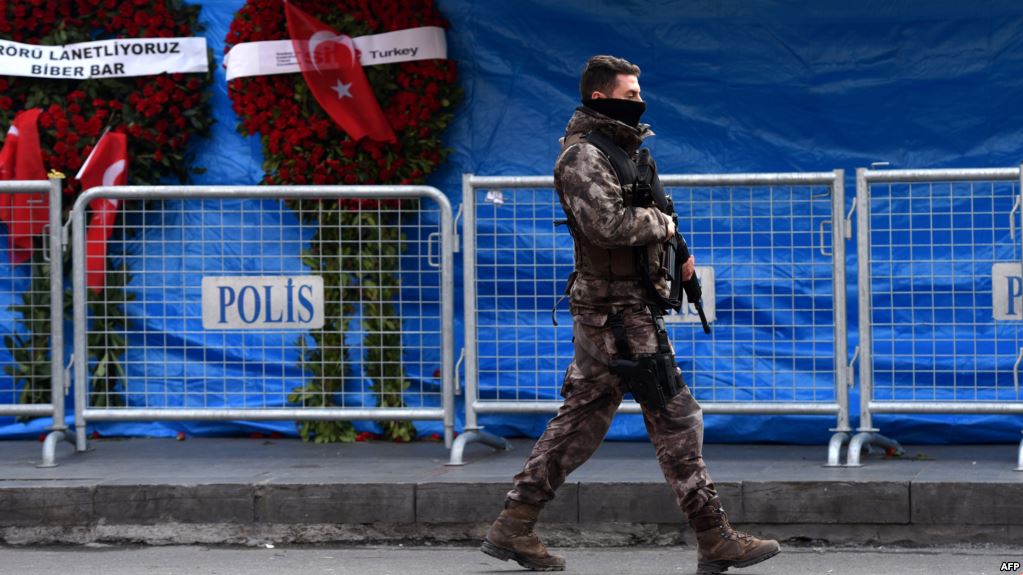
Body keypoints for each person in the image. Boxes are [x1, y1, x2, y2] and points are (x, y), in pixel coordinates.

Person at [480, 55, 781, 574]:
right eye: (630, 93)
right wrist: (663, 226)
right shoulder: (583, 155)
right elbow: (608, 226)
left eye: (640, 91)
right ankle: (714, 537)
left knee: (581, 422)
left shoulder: (626, 151)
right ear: (600, 98)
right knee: (676, 417)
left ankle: (514, 525)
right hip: (614, 312)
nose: (640, 100)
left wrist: (679, 253)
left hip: (623, 307)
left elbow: (656, 211)